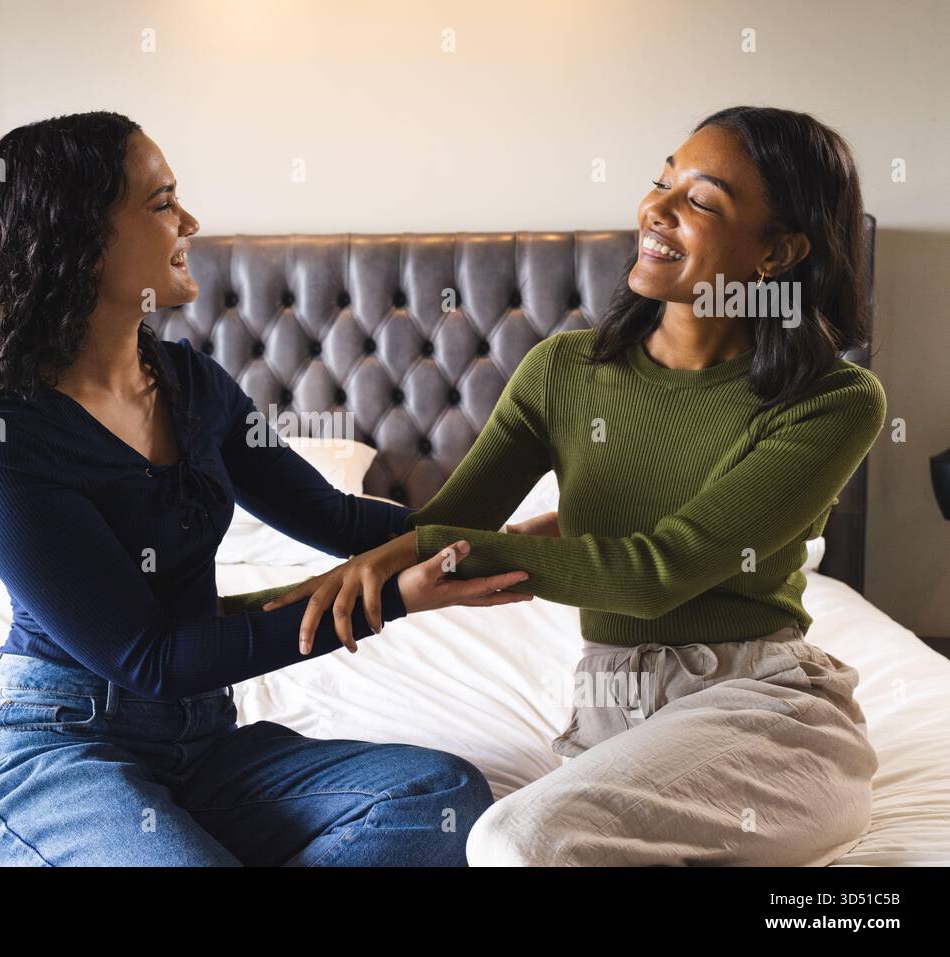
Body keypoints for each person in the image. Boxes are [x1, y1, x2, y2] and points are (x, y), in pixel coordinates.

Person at [245, 106, 887, 865]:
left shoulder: (833, 400)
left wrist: (450, 549)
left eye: (701, 200)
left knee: (516, 840)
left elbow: (661, 572)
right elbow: (433, 532)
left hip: (765, 713)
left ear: (779, 252)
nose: (656, 208)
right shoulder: (563, 371)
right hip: (614, 714)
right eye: (662, 181)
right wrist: (227, 595)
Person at [0, 111, 534, 866]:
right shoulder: (9, 443)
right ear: (79, 237)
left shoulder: (192, 388)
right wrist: (396, 596)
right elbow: (152, 657)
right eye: (161, 203)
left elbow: (336, 517)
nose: (190, 221)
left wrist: (492, 546)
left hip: (203, 746)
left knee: (440, 797)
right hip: (61, 749)